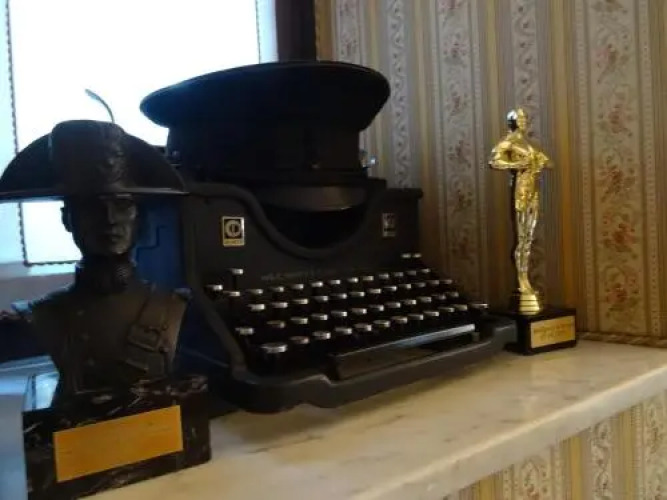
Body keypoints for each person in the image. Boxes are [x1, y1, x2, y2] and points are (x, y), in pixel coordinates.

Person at [0, 120, 187, 397]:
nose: (110, 219)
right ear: (67, 219)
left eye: (122, 205)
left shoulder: (174, 306)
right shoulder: (43, 315)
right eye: (91, 207)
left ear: (140, 218)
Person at [489, 109, 551, 313]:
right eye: (520, 118)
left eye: (524, 118)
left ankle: (526, 281)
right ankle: (522, 281)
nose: (523, 121)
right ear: (512, 122)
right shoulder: (509, 141)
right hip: (520, 191)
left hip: (533, 190)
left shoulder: (528, 143)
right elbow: (494, 161)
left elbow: (548, 162)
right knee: (522, 238)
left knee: (529, 238)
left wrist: (541, 162)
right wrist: (518, 164)